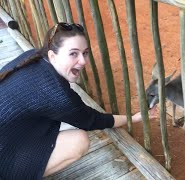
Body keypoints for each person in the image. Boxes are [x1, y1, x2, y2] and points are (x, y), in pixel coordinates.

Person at [0, 22, 157, 179]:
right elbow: (94, 120)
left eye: (85, 53)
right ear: (52, 56)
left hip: (10, 135)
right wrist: (135, 118)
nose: (83, 61)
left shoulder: (32, 56)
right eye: (73, 54)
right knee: (79, 141)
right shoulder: (57, 94)